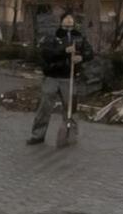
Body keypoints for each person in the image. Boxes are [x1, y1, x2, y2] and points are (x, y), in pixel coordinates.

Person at [28, 11, 93, 145]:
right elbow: (47, 53)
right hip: (52, 76)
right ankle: (38, 135)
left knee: (70, 109)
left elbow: (90, 52)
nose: (69, 20)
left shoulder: (79, 37)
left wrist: (81, 57)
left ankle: (69, 136)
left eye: (71, 18)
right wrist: (64, 51)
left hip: (68, 78)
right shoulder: (53, 36)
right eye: (66, 18)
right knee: (44, 107)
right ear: (61, 21)